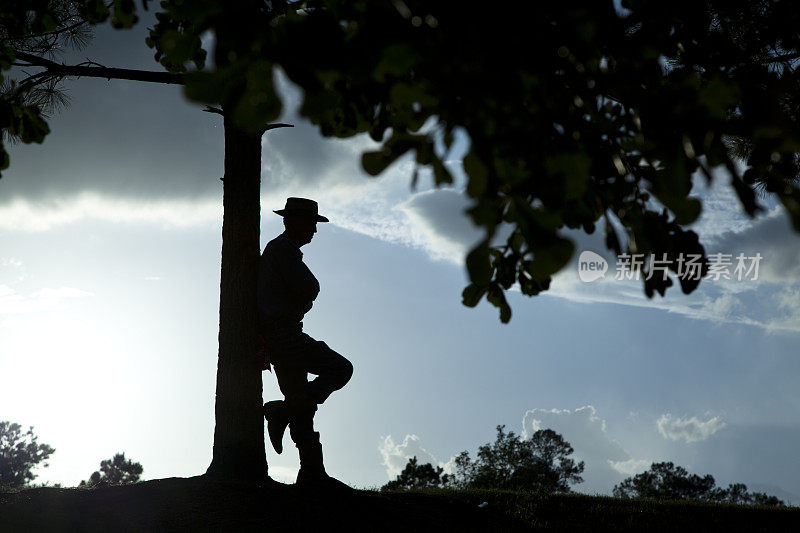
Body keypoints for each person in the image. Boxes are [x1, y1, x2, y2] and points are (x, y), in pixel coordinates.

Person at [258, 197, 353, 490]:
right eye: (311, 224)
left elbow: (305, 292)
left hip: (279, 338)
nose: (314, 230)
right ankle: (282, 412)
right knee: (341, 368)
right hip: (284, 337)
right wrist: (304, 297)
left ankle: (312, 472)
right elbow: (311, 287)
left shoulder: (282, 250)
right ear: (294, 222)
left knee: (303, 404)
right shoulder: (283, 250)